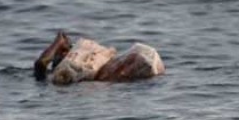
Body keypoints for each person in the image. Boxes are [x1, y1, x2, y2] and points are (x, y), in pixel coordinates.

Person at [34, 30, 165, 85]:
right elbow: (41, 64)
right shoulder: (76, 70)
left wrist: (58, 41)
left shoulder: (68, 73)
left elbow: (41, 64)